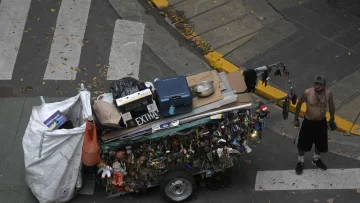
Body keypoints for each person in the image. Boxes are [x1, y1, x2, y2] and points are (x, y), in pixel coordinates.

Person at [294, 76, 336, 175]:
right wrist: (296, 119)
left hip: (321, 123)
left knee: (320, 144)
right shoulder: (307, 92)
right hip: (308, 123)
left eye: (320, 84)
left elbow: (331, 105)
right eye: (315, 84)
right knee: (302, 144)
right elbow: (299, 104)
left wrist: (332, 118)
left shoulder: (328, 93)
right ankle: (300, 161)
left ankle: (316, 159)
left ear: (324, 86)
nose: (317, 86)